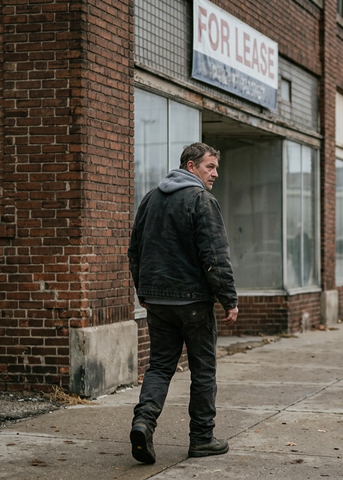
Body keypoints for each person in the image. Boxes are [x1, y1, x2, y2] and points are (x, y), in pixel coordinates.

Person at [128, 142, 238, 464]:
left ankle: (143, 422)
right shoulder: (201, 200)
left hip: (158, 302)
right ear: (191, 167)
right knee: (203, 370)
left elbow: (134, 251)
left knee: (160, 366)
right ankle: (202, 438)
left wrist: (144, 293)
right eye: (210, 167)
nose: (215, 173)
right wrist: (228, 298)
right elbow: (215, 257)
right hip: (193, 303)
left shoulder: (150, 199)